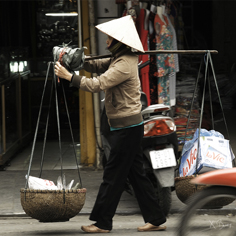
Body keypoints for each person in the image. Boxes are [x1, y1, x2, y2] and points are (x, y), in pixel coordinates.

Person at [54, 15, 166, 233]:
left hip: (127, 128)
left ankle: (102, 222)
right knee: (136, 175)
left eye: (109, 39)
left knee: (112, 176)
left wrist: (70, 77)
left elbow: (98, 84)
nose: (106, 42)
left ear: (119, 42)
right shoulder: (118, 58)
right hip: (125, 126)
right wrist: (77, 59)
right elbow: (97, 65)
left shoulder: (124, 63)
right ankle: (156, 219)